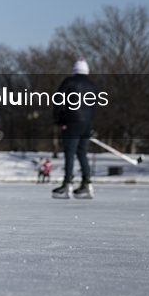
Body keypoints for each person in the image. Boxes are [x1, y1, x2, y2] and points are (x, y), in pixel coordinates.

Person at [52, 58, 98, 199]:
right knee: (82, 154)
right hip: (87, 124)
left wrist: (60, 120)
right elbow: (95, 107)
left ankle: (67, 183)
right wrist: (90, 124)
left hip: (72, 123)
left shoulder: (69, 82)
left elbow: (58, 100)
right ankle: (86, 183)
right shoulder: (93, 86)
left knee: (70, 153)